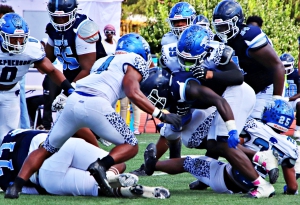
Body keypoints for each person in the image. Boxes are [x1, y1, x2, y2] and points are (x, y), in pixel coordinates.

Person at [5, 33, 181, 199]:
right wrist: (160, 115)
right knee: (131, 145)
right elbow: (132, 91)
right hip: (97, 103)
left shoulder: (103, 61)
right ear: (141, 52)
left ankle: (16, 187)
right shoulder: (135, 60)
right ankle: (101, 166)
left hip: (74, 100)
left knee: (46, 149)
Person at [144, 99, 299, 196]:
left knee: (189, 161)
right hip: (251, 185)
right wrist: (288, 190)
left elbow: (230, 145)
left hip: (229, 178)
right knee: (218, 147)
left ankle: (153, 164)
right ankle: (203, 182)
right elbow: (292, 186)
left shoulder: (254, 125)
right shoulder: (291, 146)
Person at [0, 129, 170, 199]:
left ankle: (131, 192)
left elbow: (31, 190)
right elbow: (78, 128)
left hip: (45, 176)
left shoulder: (1, 178)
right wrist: (96, 156)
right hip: (58, 147)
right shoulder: (11, 133)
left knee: (99, 190)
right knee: (118, 164)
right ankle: (108, 175)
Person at [0, 13, 74, 144]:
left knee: (6, 136)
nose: (18, 43)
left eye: (21, 38)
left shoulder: (31, 48)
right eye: (13, 38)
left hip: (11, 93)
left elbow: (51, 70)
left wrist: (69, 89)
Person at [212, 0, 286, 121]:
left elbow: (278, 66)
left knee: (258, 125)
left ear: (236, 22)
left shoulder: (249, 37)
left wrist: (276, 100)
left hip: (265, 88)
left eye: (224, 26)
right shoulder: (218, 40)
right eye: (218, 26)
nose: (221, 30)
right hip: (244, 89)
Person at [44, 0, 106, 86]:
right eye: (56, 17)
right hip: (70, 78)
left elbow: (88, 69)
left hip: (95, 81)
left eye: (64, 17)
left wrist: (69, 90)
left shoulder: (83, 28)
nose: (60, 21)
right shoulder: (52, 28)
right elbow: (47, 59)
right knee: (49, 83)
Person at [280, 53, 300, 141]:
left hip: (292, 100)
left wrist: (289, 99)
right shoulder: (277, 73)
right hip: (280, 100)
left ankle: (298, 129)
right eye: (282, 65)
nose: (285, 68)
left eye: (287, 65)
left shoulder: (297, 74)